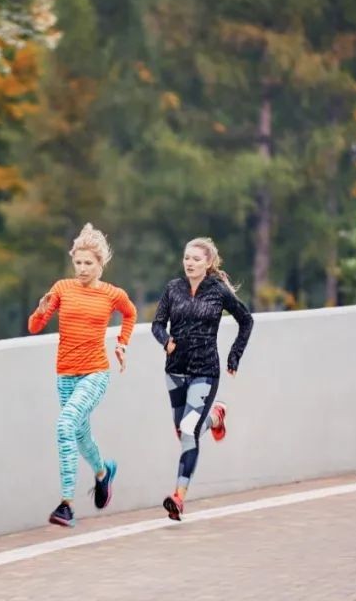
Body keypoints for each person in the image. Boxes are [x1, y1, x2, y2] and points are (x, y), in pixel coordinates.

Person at [28, 223, 138, 527]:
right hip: (65, 375)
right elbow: (34, 327)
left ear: (100, 264)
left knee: (65, 425)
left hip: (95, 373)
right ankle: (103, 473)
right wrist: (40, 311)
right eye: (78, 262)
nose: (82, 268)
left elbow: (130, 313)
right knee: (80, 435)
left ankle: (67, 505)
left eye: (88, 263)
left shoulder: (113, 294)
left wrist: (122, 344)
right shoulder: (62, 288)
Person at [150, 237, 254, 521]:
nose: (190, 263)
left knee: (188, 430)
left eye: (196, 259)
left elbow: (246, 320)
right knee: (183, 431)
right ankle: (216, 417)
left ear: (208, 263)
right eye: (187, 258)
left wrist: (234, 356)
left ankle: (178, 497)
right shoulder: (173, 288)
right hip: (175, 370)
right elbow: (157, 324)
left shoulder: (218, 291)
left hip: (205, 370)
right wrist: (165, 341)